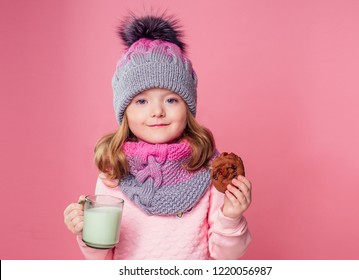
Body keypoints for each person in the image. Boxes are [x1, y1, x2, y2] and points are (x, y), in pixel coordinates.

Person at [63, 13, 252, 260]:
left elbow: (225, 257)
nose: (157, 111)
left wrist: (231, 216)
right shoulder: (114, 172)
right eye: (141, 101)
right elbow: (103, 260)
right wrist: (87, 231)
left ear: (188, 107)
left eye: (171, 99)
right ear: (125, 111)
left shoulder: (207, 168)